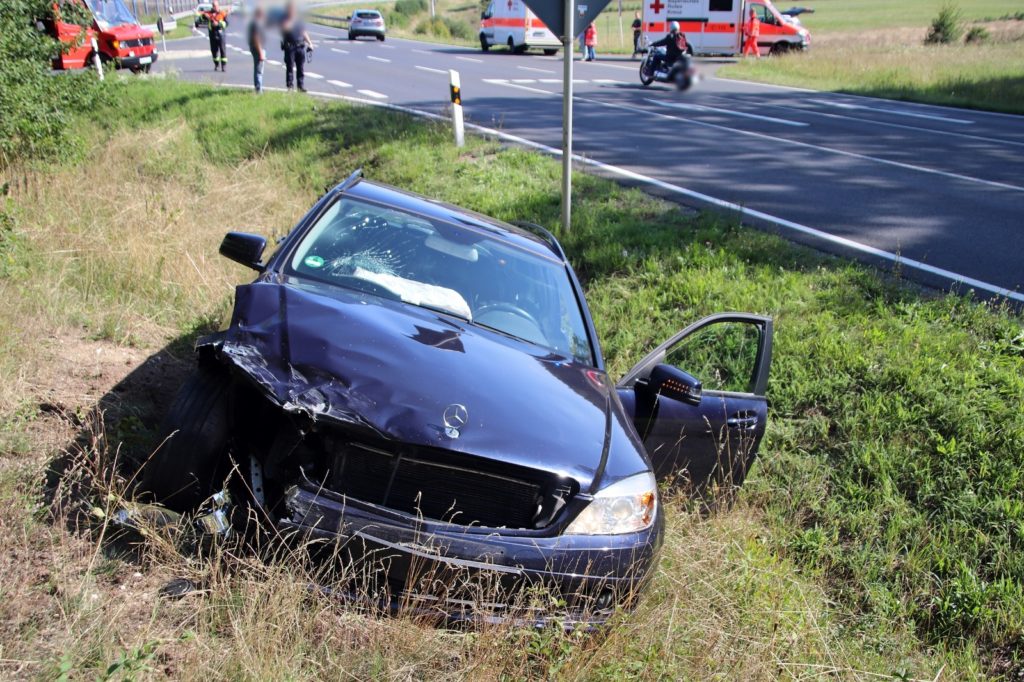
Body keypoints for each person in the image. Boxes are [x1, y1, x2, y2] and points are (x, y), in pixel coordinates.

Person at [281, 2, 312, 92]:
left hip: (300, 46)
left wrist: (310, 43)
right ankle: (290, 86)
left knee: (300, 68)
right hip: (290, 47)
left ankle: (300, 86)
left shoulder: (299, 20)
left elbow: (303, 32)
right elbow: (285, 28)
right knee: (290, 67)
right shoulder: (285, 19)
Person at [197, 0, 229, 71]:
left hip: (221, 34)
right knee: (214, 51)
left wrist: (219, 24)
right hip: (212, 34)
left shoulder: (222, 13)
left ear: (218, 6)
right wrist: (204, 16)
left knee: (223, 50)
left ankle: (224, 66)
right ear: (212, 6)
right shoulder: (209, 13)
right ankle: (216, 64)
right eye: (214, 6)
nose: (215, 7)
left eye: (216, 6)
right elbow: (200, 19)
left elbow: (227, 23)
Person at [248, 5, 266, 93]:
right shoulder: (256, 23)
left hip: (256, 47)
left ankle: (259, 87)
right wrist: (261, 53)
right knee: (259, 70)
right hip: (258, 48)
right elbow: (256, 38)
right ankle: (258, 89)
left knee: (258, 69)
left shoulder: (255, 22)